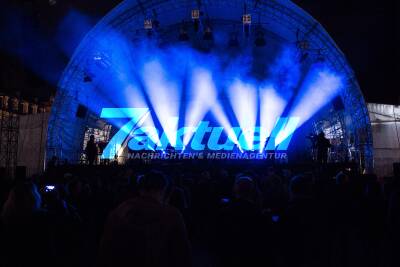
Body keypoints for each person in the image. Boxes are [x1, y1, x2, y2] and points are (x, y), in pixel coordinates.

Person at [98, 170, 191, 267]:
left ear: (140, 189)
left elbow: (106, 248)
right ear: (163, 190)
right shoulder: (171, 215)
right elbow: (182, 253)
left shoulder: (120, 211)